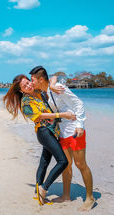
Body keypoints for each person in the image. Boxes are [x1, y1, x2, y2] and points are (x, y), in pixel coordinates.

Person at [3, 74, 76, 206]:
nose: (29, 85)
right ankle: (44, 188)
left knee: (44, 162)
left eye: (28, 82)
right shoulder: (25, 102)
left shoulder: (38, 91)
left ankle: (38, 191)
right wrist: (62, 115)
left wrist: (52, 86)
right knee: (63, 161)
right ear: (21, 90)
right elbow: (39, 116)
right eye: (25, 86)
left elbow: (53, 77)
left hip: (52, 132)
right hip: (44, 132)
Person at [29, 66, 95, 212]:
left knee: (80, 164)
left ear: (40, 79)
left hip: (75, 130)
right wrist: (51, 83)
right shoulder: (46, 90)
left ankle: (90, 198)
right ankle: (66, 195)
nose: (31, 82)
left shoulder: (58, 87)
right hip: (62, 132)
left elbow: (78, 103)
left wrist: (80, 124)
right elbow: (52, 78)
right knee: (67, 165)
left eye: (32, 79)